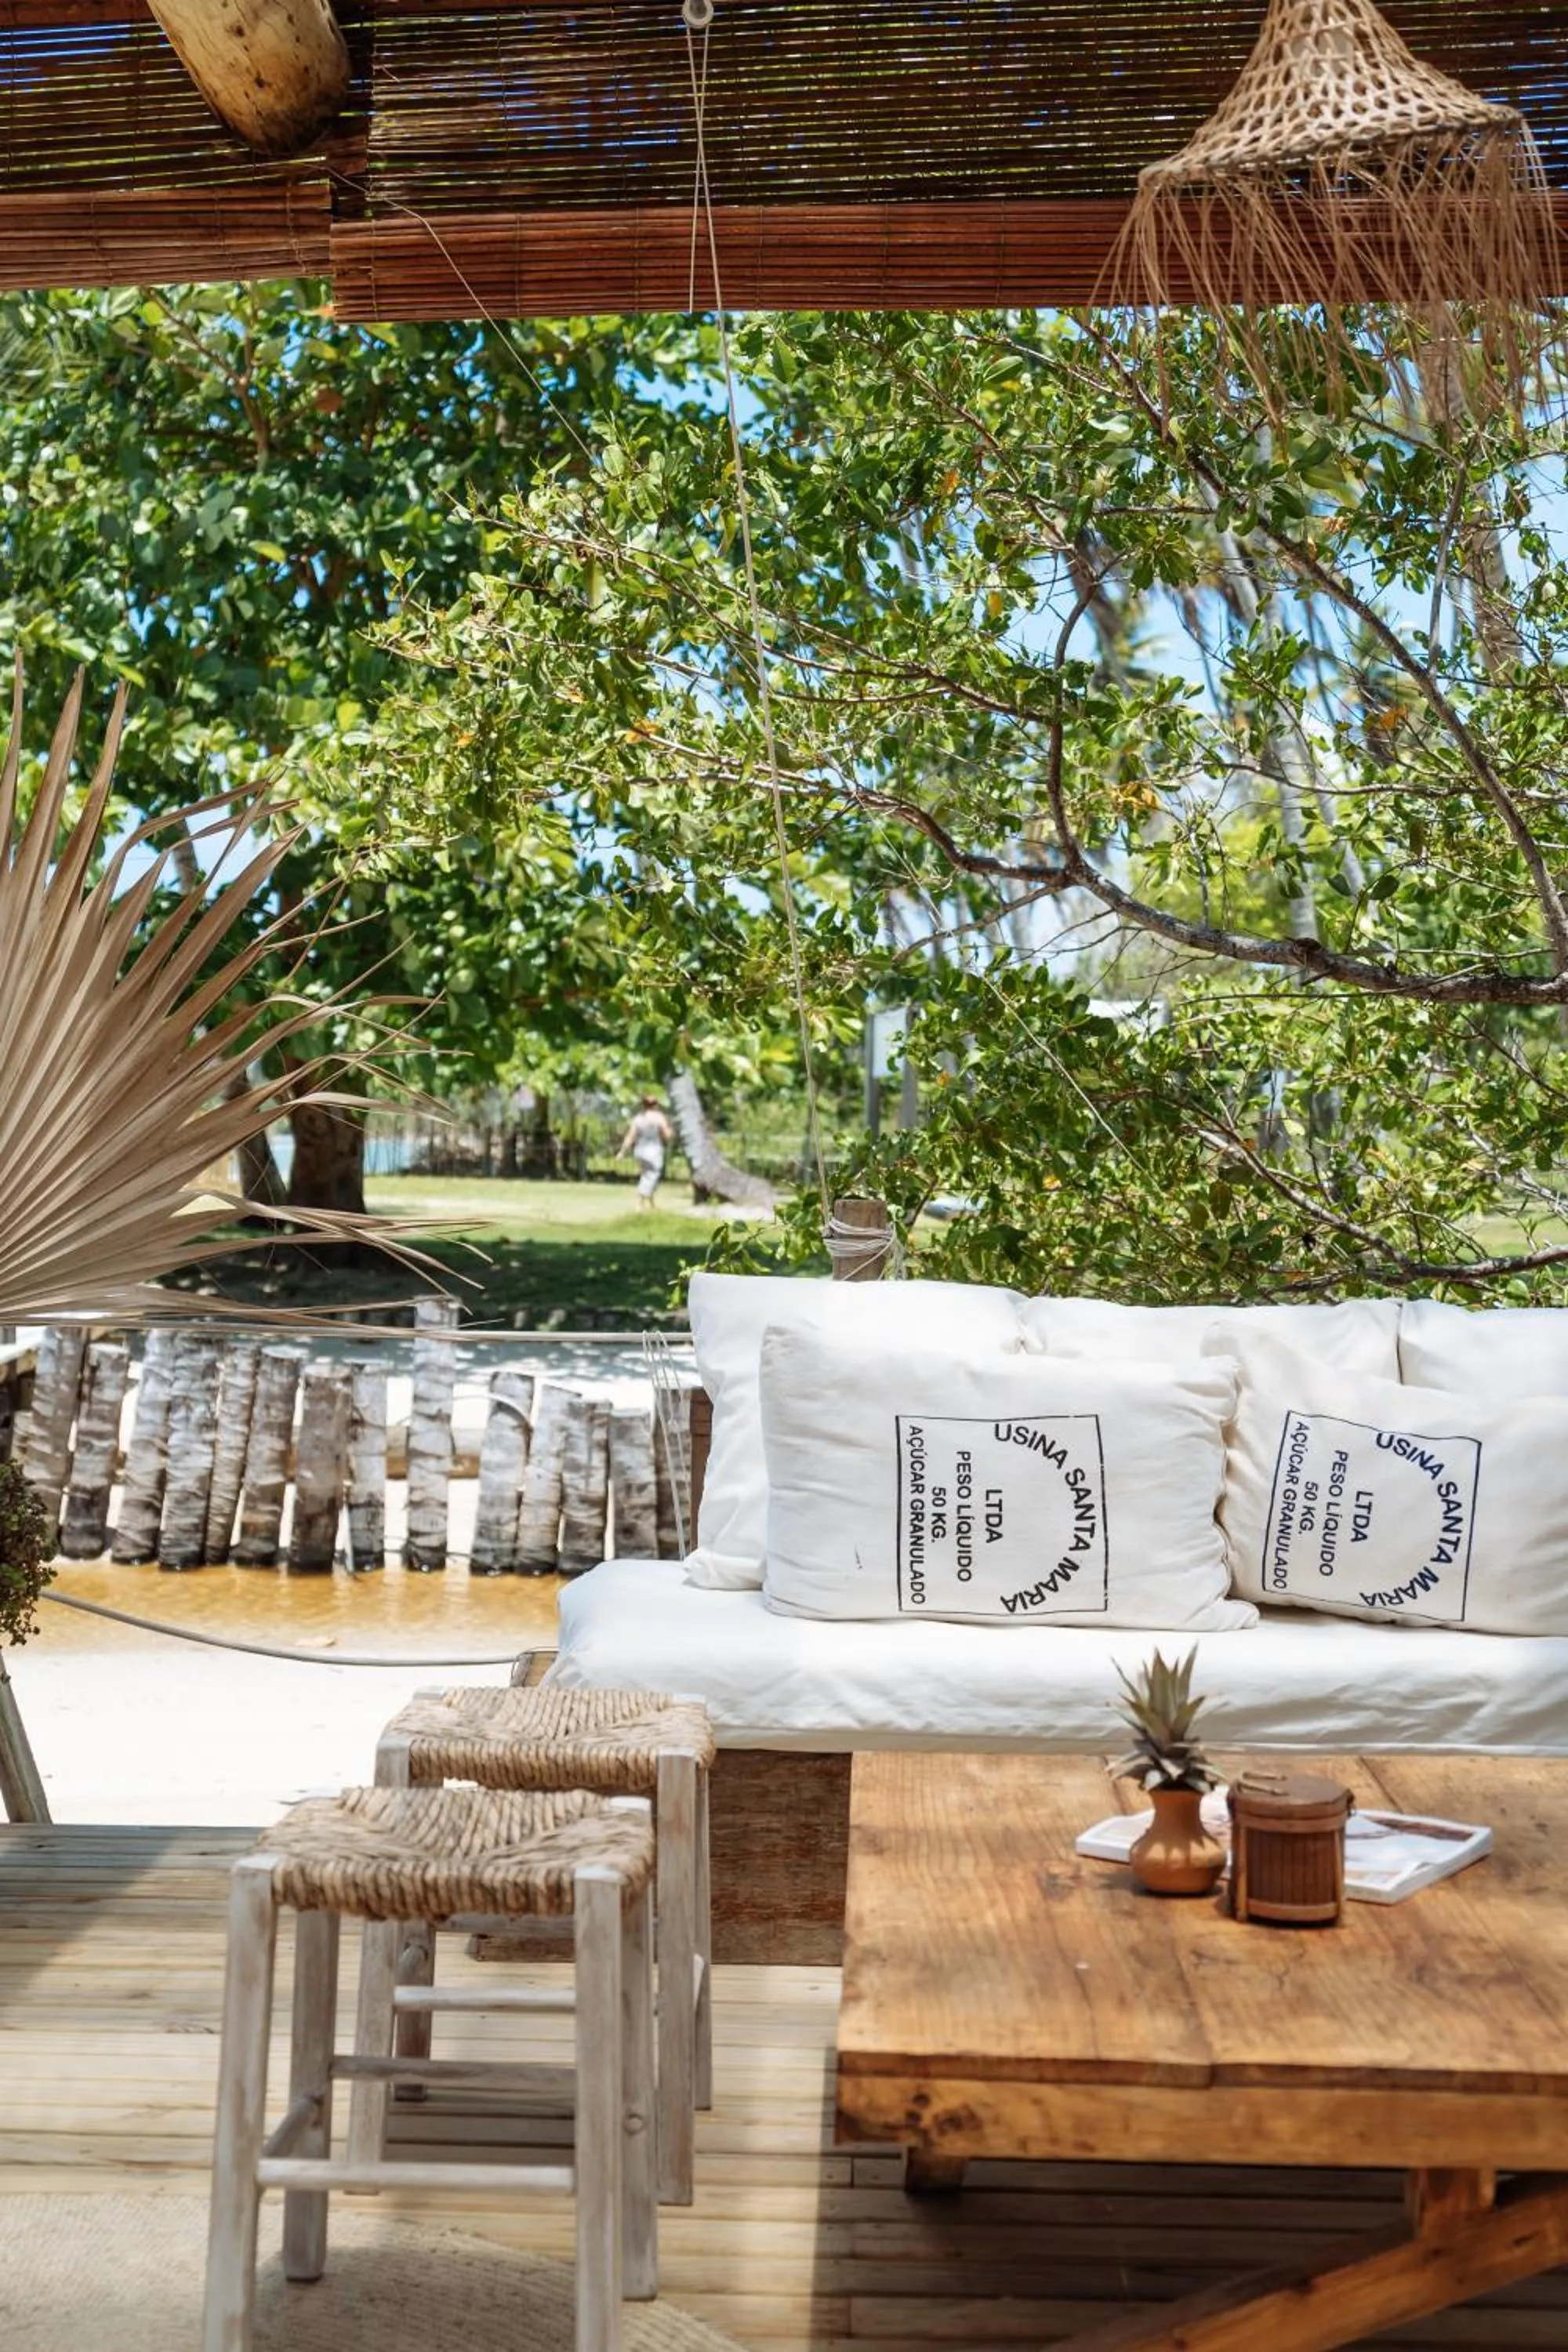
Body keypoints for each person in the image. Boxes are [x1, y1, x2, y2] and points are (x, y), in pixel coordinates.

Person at [617, 1094, 673, 1210]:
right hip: (654, 1151)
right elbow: (667, 1135)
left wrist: (622, 1152)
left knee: (646, 1175)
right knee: (652, 1175)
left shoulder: (638, 1118)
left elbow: (630, 1136)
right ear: (656, 1105)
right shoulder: (659, 1117)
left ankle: (652, 1203)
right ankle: (640, 1203)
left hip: (640, 1150)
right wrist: (670, 1131)